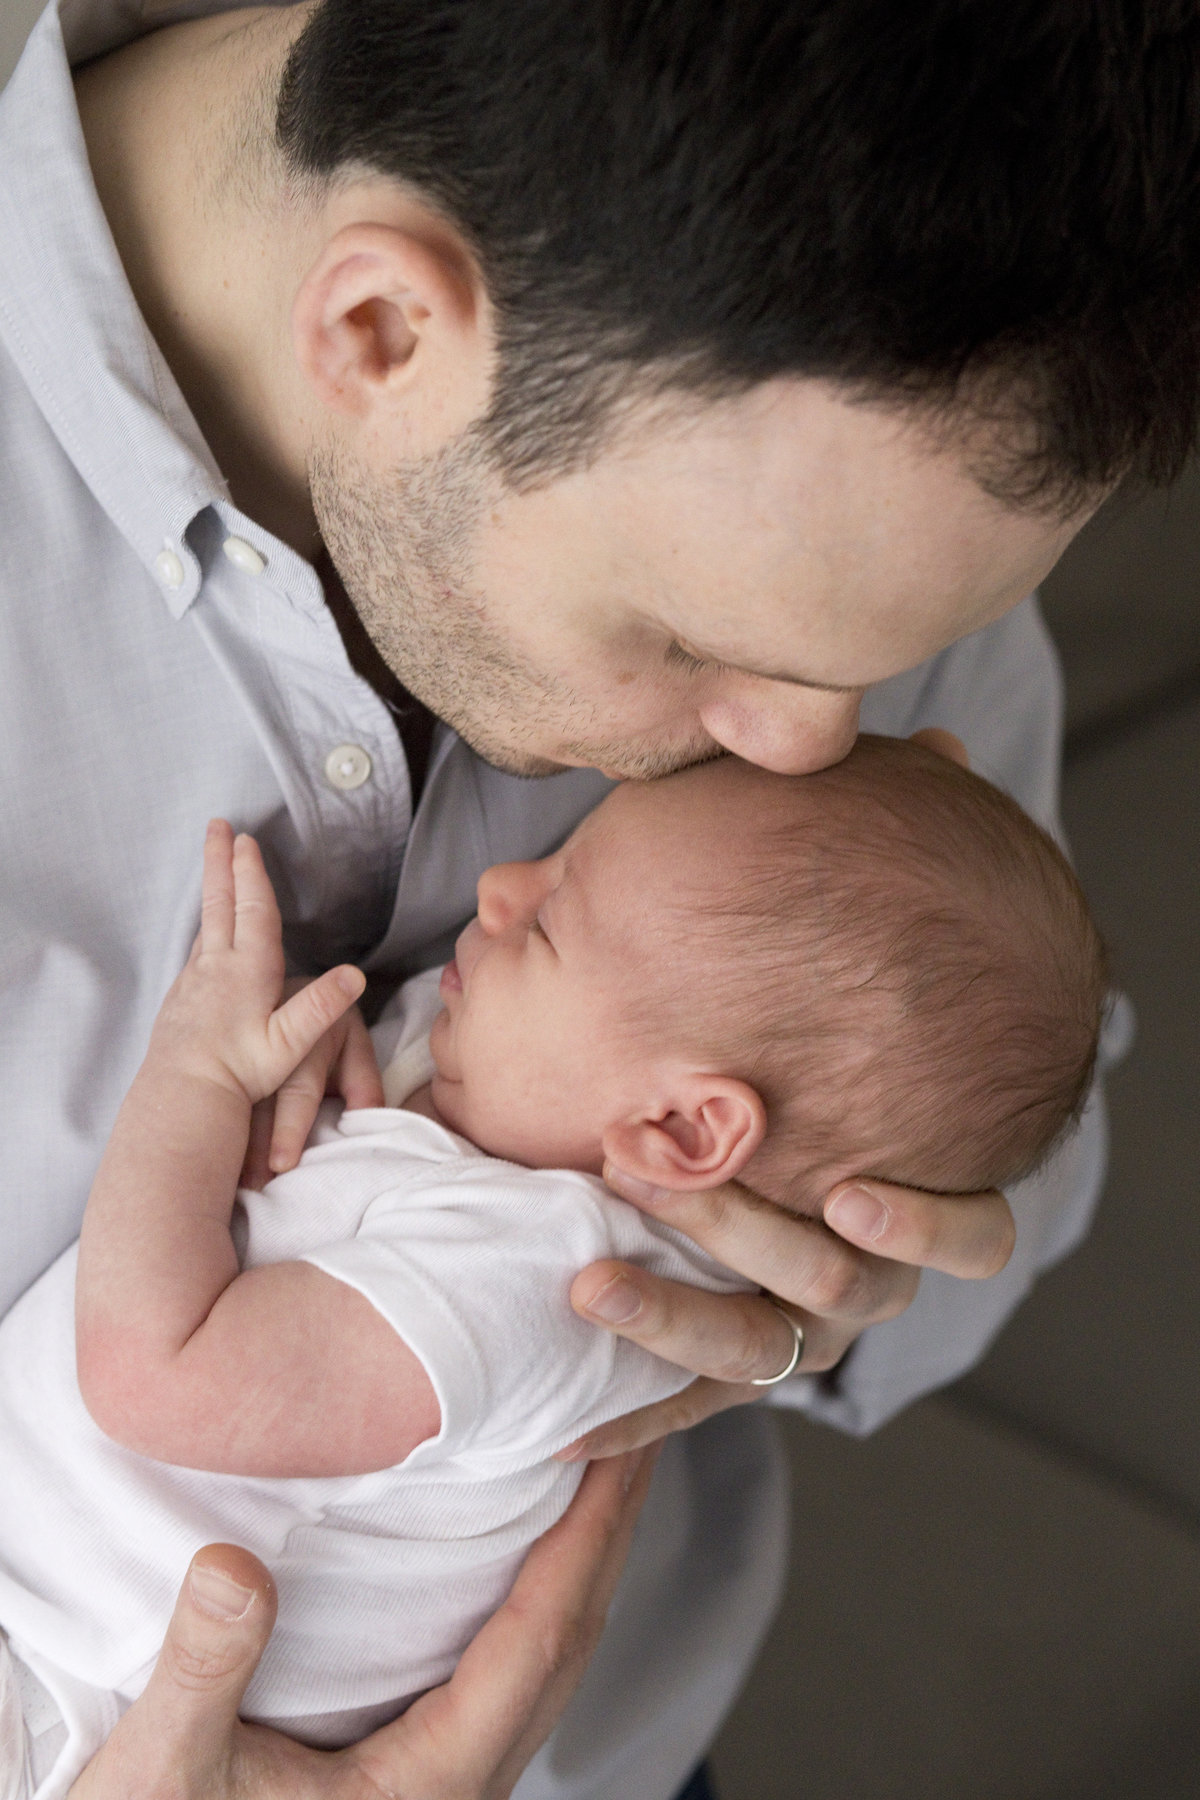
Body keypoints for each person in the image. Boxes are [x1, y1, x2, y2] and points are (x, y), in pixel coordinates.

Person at [2, 1, 1198, 1795]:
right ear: (382, 328)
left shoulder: (855, 490)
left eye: (893, 658)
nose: (813, 746)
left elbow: (1009, 1145)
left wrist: (826, 1276)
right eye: (695, 641)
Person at [1, 740, 1107, 1797]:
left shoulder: (534, 1286)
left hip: (80, 1707)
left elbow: (157, 1374)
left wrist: (195, 1073)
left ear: (679, 1131)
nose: (497, 890)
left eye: (552, 923)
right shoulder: (538, 1094)